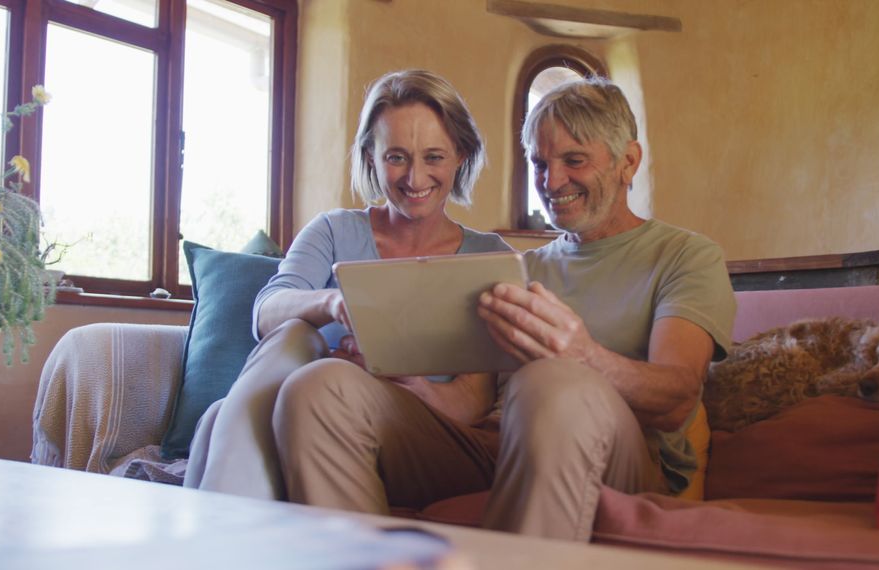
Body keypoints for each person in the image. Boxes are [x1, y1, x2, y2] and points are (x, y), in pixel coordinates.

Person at [270, 76, 736, 541]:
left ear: (628, 161)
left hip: (629, 461)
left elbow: (677, 399)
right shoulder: (515, 268)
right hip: (497, 452)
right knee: (317, 388)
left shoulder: (686, 255)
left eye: (574, 160)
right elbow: (472, 402)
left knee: (555, 379)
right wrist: (407, 384)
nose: (552, 182)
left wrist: (585, 357)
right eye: (539, 164)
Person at [182, 69, 511, 498]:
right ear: (371, 157)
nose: (414, 179)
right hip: (312, 420)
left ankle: (213, 527)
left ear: (461, 156)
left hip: (423, 434)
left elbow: (471, 403)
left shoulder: (490, 256)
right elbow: (267, 311)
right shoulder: (334, 231)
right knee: (294, 333)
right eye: (396, 157)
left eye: (434, 157)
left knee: (222, 419)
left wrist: (400, 382)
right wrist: (336, 304)